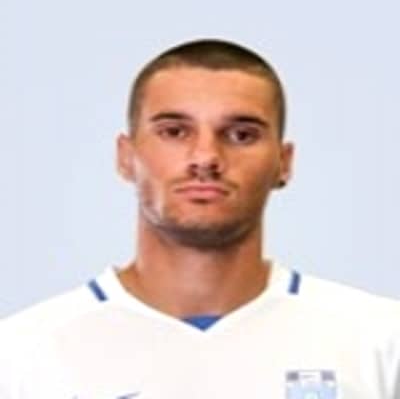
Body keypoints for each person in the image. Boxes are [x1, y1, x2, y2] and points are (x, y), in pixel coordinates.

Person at [1, 39, 399, 399]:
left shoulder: (380, 342)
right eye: (175, 132)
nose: (206, 157)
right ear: (126, 157)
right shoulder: (21, 356)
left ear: (283, 162)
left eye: (241, 135)